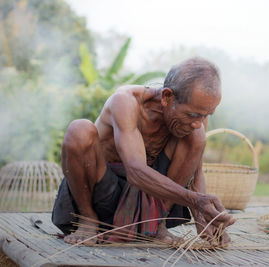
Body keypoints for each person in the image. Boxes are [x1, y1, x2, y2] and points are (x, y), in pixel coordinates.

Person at [52, 57, 236, 247]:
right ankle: (87, 218)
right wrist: (195, 201)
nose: (199, 122)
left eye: (206, 115)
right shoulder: (126, 101)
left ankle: (157, 225)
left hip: (152, 206)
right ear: (167, 97)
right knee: (79, 130)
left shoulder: (196, 120)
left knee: (198, 135)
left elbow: (196, 174)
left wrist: (202, 218)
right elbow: (135, 171)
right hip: (101, 195)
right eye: (192, 114)